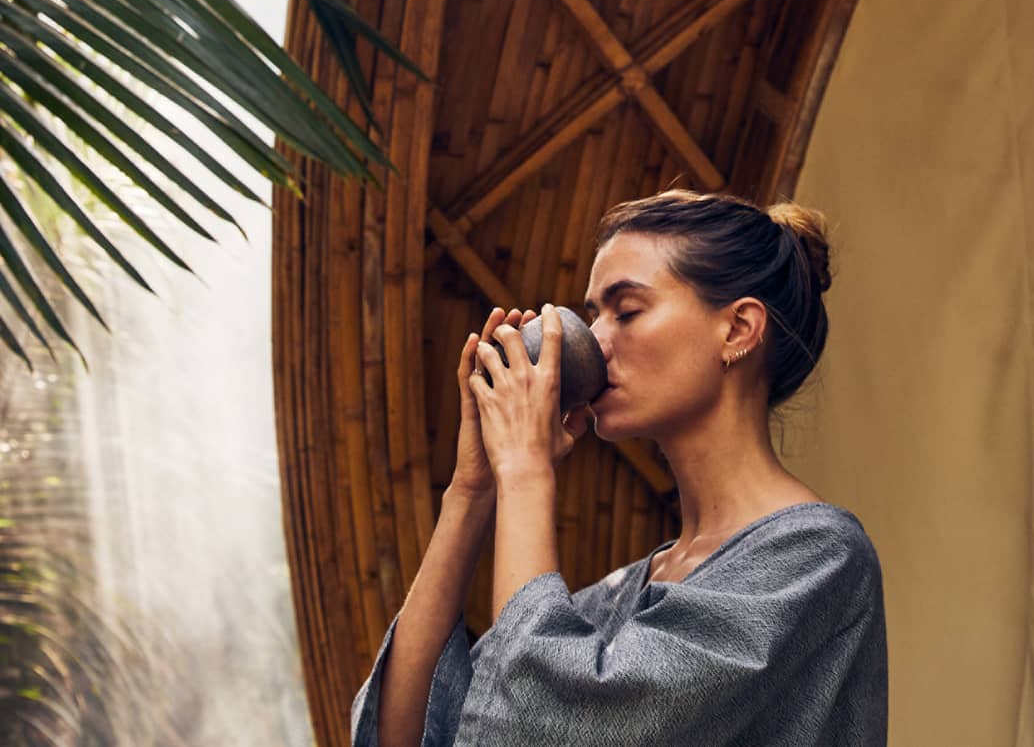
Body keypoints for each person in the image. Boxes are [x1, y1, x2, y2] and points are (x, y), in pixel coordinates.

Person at [350, 188, 888, 746]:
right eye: (593, 315)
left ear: (738, 330)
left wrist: (527, 472)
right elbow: (400, 737)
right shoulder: (613, 599)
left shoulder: (815, 558)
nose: (595, 341)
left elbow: (541, 728)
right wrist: (472, 492)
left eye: (626, 311)